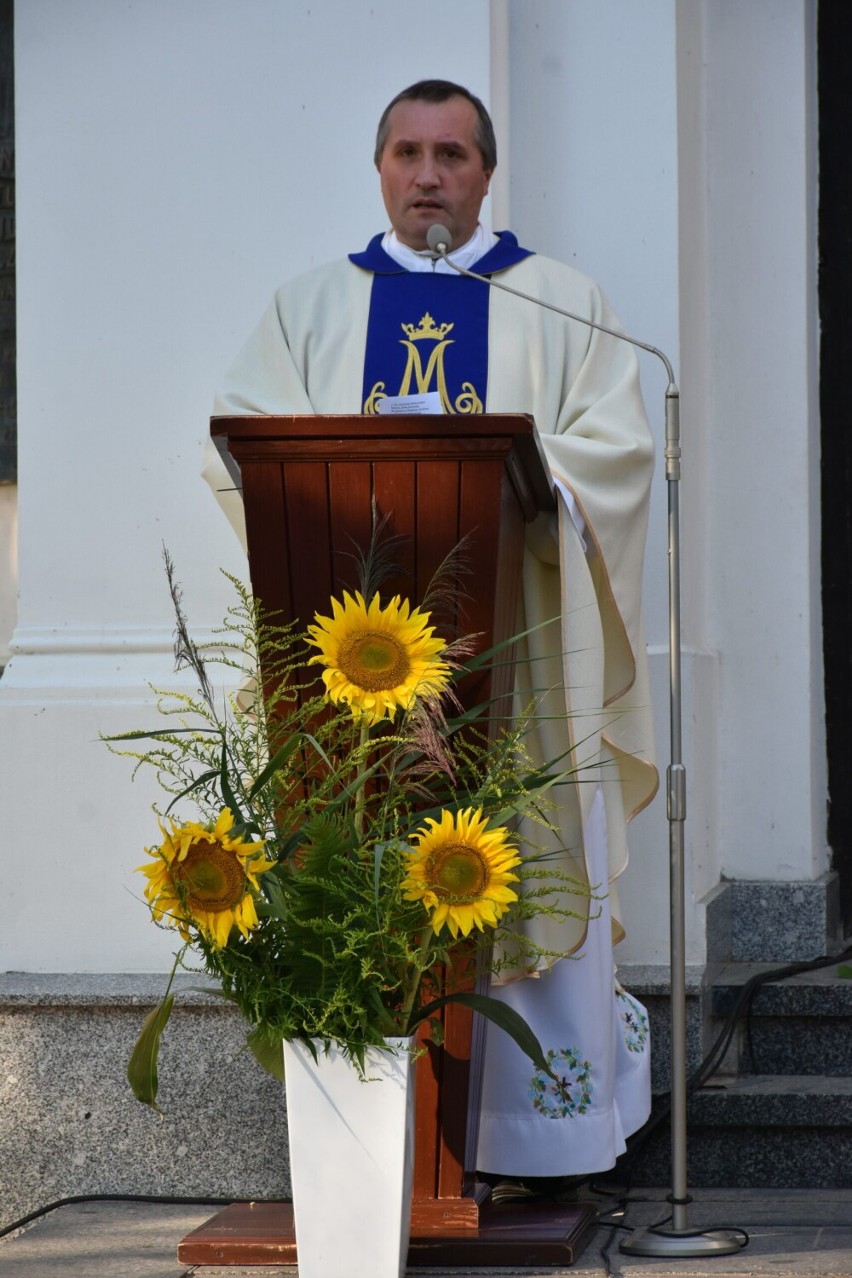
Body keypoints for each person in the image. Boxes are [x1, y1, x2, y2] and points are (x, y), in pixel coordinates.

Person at [205, 79, 658, 1188]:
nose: (427, 175)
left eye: (451, 153)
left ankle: (536, 1144)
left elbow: (619, 452)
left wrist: (537, 478)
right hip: (344, 666)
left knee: (528, 851)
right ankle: (379, 1163)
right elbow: (239, 456)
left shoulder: (560, 302)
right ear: (378, 170)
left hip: (523, 656)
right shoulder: (311, 308)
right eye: (407, 152)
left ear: (486, 173)